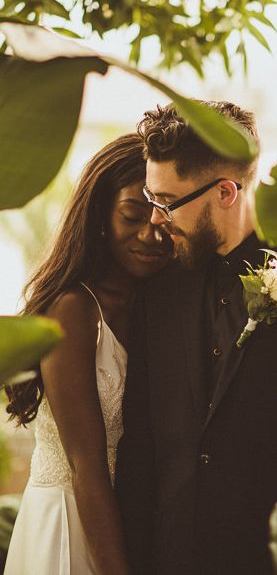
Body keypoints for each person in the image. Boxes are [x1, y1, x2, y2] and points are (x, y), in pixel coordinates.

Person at [115, 101, 277, 574]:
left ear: (225, 192)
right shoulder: (157, 294)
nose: (156, 219)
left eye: (166, 202)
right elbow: (141, 449)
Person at [4, 134, 172, 574]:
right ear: (100, 215)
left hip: (130, 523)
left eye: (163, 219)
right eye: (132, 215)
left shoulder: (157, 305)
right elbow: (87, 466)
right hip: (70, 521)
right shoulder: (73, 311)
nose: (150, 234)